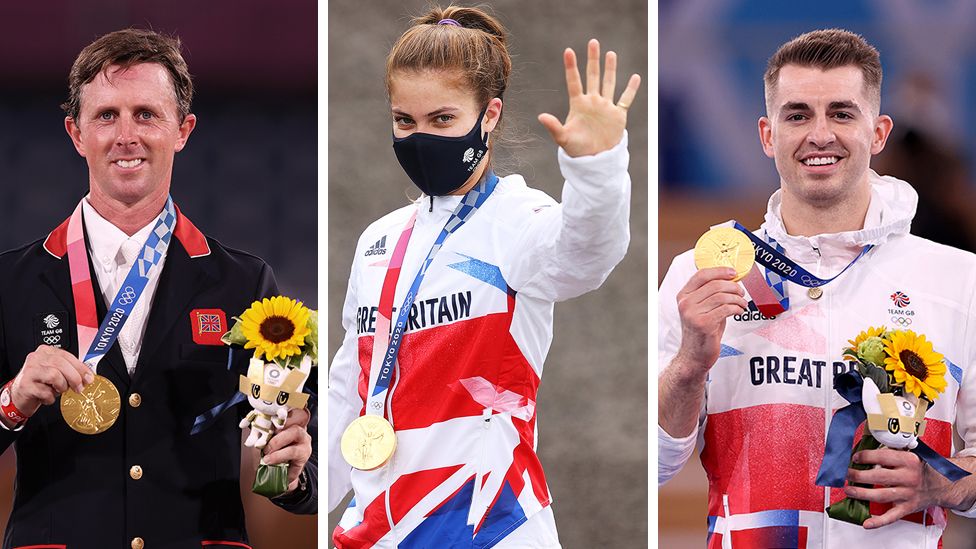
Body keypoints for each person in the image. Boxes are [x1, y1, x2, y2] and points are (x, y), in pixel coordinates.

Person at [327, 5, 640, 548]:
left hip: (490, 526)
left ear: (489, 115)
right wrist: (302, 484)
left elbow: (587, 253)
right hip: (375, 530)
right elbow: (350, 388)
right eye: (405, 121)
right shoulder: (376, 241)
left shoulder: (518, 220)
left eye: (443, 120)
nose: (421, 138)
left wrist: (597, 171)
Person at [658, 28, 976, 547]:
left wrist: (943, 483)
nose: (820, 134)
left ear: (878, 133)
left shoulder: (959, 280)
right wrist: (690, 364)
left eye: (842, 114)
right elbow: (654, 464)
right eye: (798, 114)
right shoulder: (702, 276)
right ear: (767, 134)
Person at [0, 28, 315, 548]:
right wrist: (11, 402)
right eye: (106, 116)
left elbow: (293, 452)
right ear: (76, 134)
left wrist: (291, 469)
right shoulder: (10, 281)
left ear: (182, 129)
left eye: (146, 114)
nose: (127, 135)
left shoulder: (245, 283)